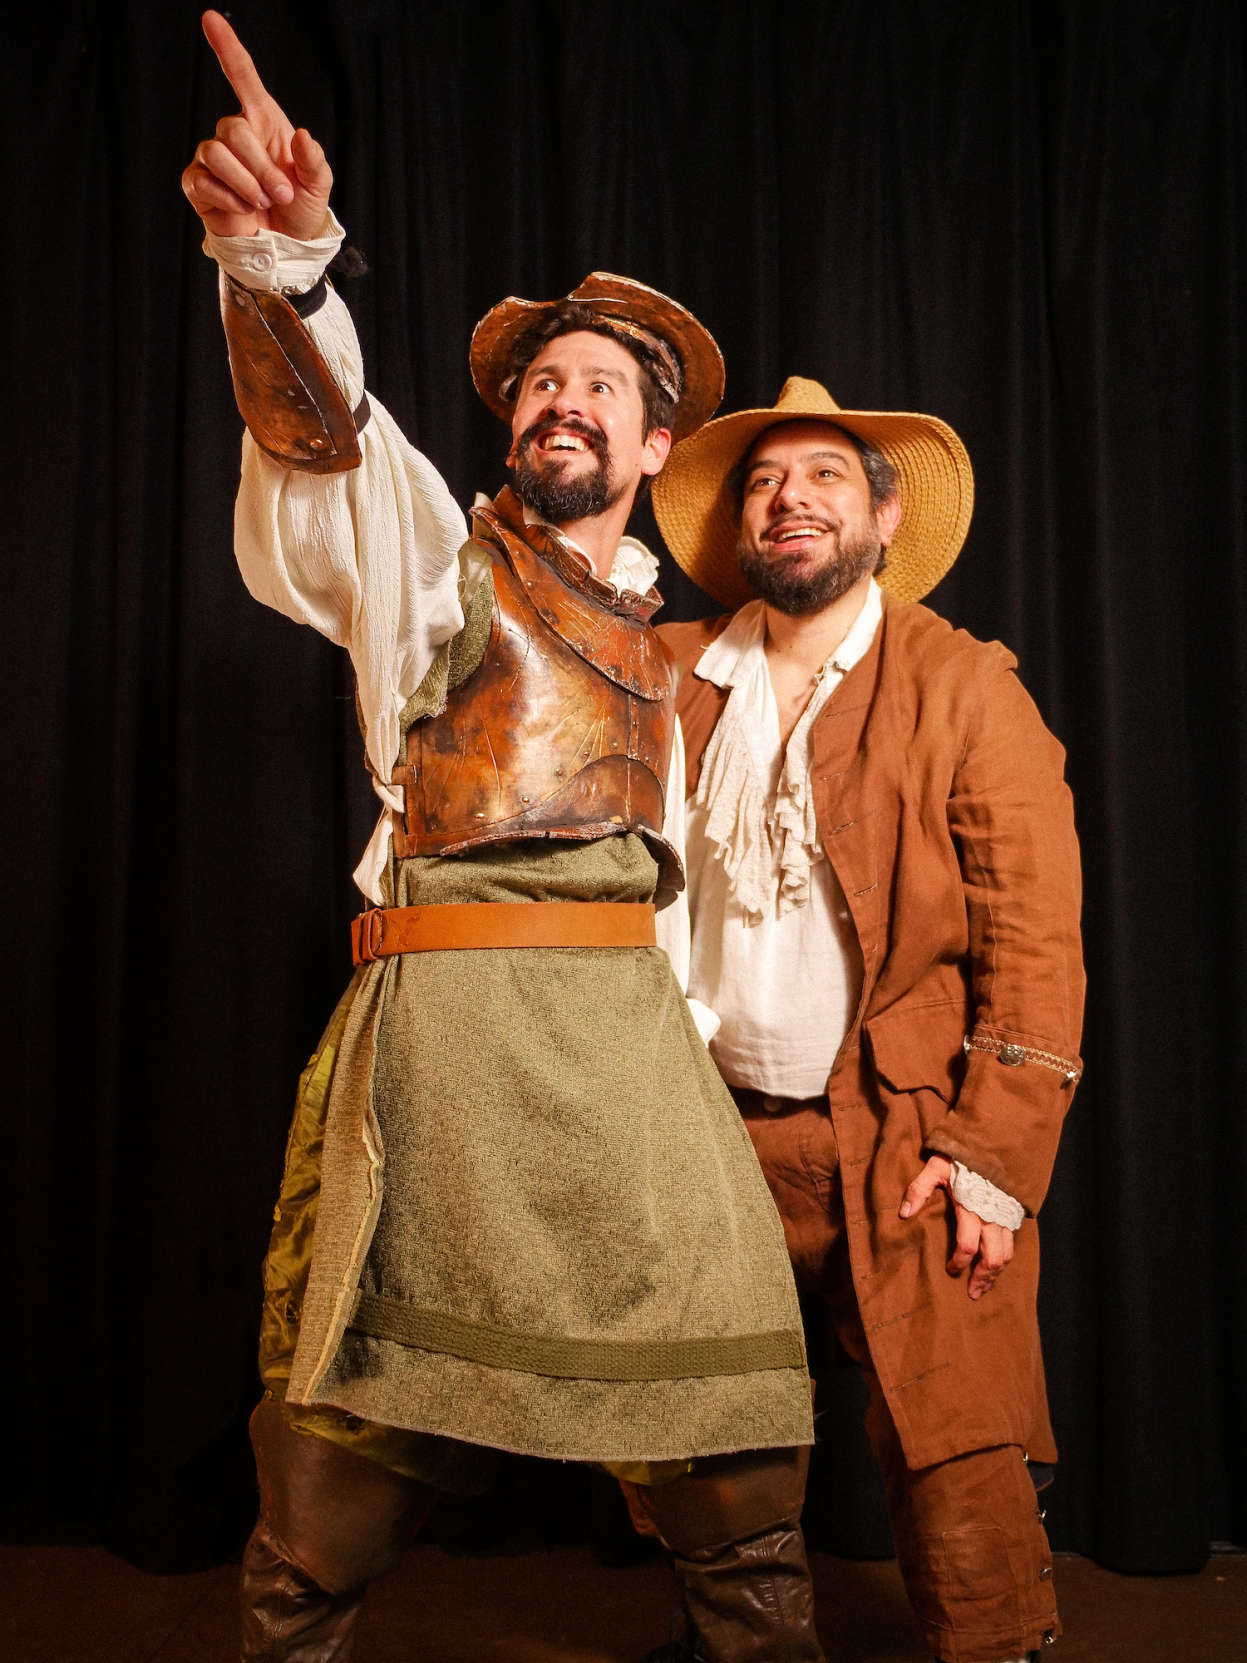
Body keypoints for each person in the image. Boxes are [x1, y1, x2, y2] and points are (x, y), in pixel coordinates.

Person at [182, 13, 819, 1662]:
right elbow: (326, 441)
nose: (562, 398)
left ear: (655, 445)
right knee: (337, 1442)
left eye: (601, 385)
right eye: (542, 378)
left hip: (624, 1046)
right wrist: (278, 260)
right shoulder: (436, 566)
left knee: (737, 1418)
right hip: (446, 1031)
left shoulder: (673, 657)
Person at [651, 376, 1085, 1663]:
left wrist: (989, 1160)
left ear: (883, 516)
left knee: (955, 1435)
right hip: (708, 1127)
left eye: (824, 477)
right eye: (766, 484)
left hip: (904, 1130)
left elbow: (1033, 939)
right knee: (707, 1428)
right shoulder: (667, 672)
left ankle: (999, 1648)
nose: (790, 500)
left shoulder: (960, 686)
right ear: (741, 526)